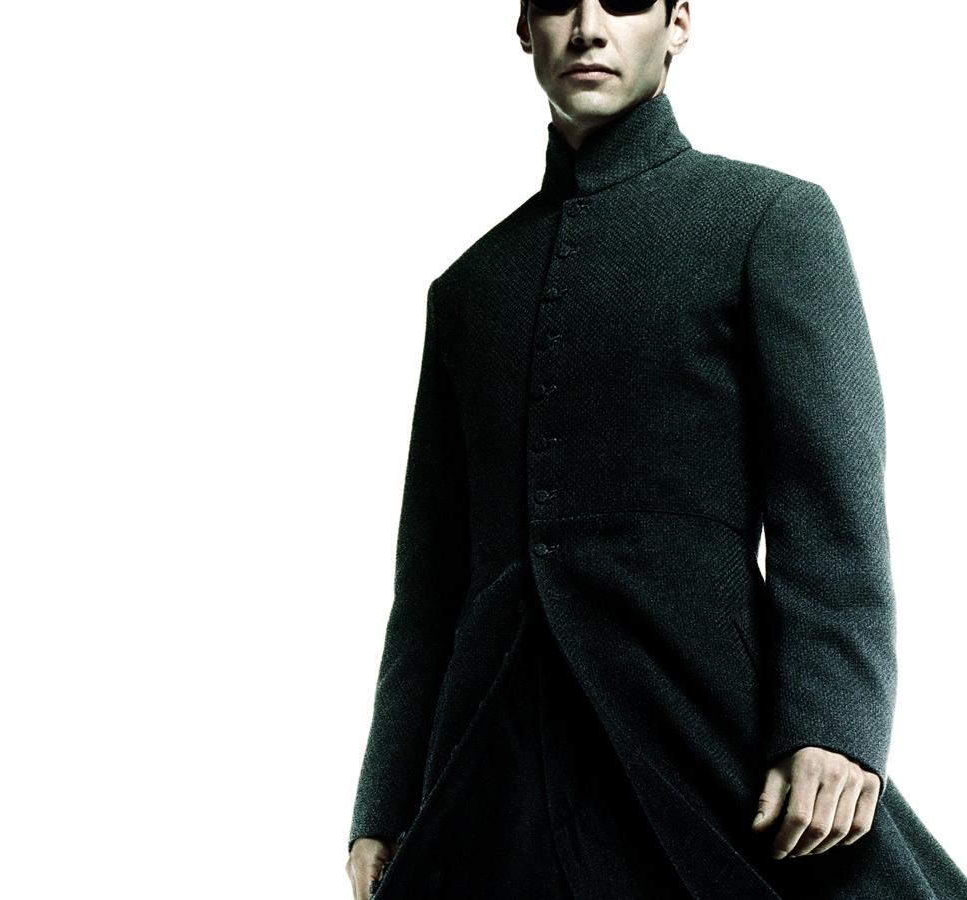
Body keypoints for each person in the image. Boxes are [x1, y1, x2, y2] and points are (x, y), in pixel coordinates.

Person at [343, 1, 967, 898]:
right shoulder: (467, 289)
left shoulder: (769, 219)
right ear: (523, 29)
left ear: (678, 24)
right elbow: (430, 585)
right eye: (560, 4)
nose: (589, 27)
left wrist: (833, 726)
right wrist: (385, 802)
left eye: (625, 1)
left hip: (707, 724)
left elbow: (831, 504)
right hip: (499, 769)